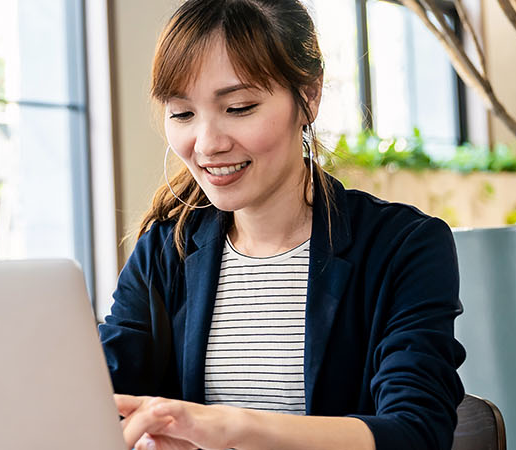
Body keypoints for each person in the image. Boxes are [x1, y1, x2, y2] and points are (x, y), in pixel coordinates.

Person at [98, 1, 466, 449]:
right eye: (182, 114)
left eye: (239, 107)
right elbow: (96, 397)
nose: (208, 143)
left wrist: (234, 428)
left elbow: (416, 431)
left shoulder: (403, 247)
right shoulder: (166, 248)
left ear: (308, 97)